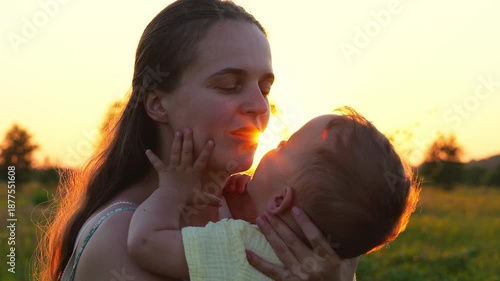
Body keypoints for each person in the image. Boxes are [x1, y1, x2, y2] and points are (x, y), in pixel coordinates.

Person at [36, 0, 358, 280]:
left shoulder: (238, 212)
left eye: (265, 88)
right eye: (229, 85)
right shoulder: (124, 238)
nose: (260, 106)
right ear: (158, 103)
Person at [128, 108, 420, 281]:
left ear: (280, 199)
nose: (275, 144)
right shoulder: (329, 271)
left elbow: (145, 243)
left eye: (285, 146)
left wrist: (173, 189)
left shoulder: (239, 247)